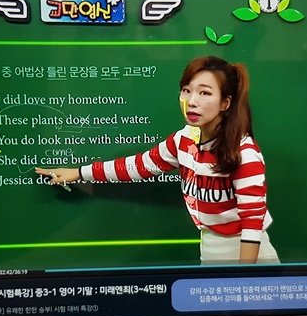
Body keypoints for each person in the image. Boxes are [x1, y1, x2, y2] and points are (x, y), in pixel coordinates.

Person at [35, 56, 278, 264]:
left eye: (205, 93)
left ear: (226, 102)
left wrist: (244, 276)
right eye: (187, 90)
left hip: (248, 253)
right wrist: (79, 172)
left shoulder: (244, 153)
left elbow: (252, 222)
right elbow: (138, 166)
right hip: (210, 246)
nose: (192, 101)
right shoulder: (184, 140)